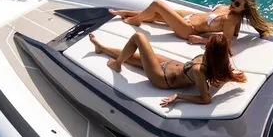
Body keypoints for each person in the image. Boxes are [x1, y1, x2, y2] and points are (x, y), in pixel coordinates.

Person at [89, 32, 246, 107]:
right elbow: (223, 75)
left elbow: (206, 99)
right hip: (170, 64)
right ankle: (101, 47)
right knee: (134, 56)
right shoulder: (217, 61)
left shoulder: (199, 70)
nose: (207, 41)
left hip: (162, 77)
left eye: (209, 42)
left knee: (138, 37)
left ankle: (117, 65)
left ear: (211, 49)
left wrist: (179, 96)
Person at [109, 0, 273, 45]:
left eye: (238, 4)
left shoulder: (231, 19)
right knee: (157, 14)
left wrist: (201, 40)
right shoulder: (228, 8)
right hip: (191, 16)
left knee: (157, 5)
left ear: (245, 8)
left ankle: (134, 20)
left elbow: (226, 41)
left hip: (188, 29)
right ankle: (124, 12)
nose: (233, 4)